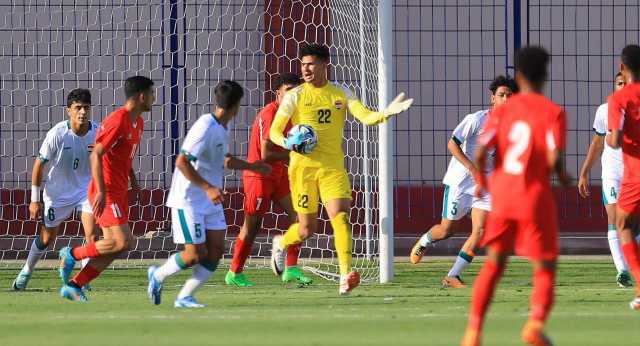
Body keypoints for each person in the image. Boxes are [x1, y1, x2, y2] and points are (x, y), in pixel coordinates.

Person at [269, 43, 413, 295]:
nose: (305, 69)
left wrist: (386, 113)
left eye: (311, 63)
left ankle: (345, 274)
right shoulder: (295, 95)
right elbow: (274, 131)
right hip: (302, 170)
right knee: (305, 230)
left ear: (325, 64)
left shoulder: (342, 93)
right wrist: (288, 142)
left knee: (342, 218)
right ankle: (282, 242)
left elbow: (366, 116)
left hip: (332, 169)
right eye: (303, 64)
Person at [460, 46, 570, 346]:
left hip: (504, 193)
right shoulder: (554, 112)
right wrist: (562, 177)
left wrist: (482, 182)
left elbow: (482, 150)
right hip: (534, 195)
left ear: (518, 76)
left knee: (494, 262)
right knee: (545, 266)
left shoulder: (503, 111)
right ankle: (534, 324)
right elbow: (552, 159)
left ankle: (473, 331)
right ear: (545, 76)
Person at [147, 80, 271, 308]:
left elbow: (225, 160)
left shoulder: (223, 126)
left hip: (210, 200)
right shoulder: (204, 127)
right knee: (194, 254)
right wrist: (208, 187)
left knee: (216, 250)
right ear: (236, 106)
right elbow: (182, 162)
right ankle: (157, 275)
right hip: (189, 200)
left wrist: (254, 167)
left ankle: (185, 296)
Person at [409, 76, 517, 288]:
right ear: (492, 98)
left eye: (510, 96)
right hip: (460, 182)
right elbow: (452, 144)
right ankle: (425, 240)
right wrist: (472, 168)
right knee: (447, 230)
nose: (506, 99)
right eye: (501, 95)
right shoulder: (476, 120)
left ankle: (453, 275)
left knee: (481, 230)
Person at [58, 76, 155, 301]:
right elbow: (96, 154)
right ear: (141, 96)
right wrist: (101, 191)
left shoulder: (137, 122)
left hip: (119, 190)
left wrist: (134, 180)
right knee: (121, 242)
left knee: (120, 246)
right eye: (151, 94)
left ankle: (75, 285)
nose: (153, 98)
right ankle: (73, 253)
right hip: (107, 190)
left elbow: (122, 156)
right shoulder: (118, 120)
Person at [225, 73, 312, 287]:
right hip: (259, 176)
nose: (293, 94)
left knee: (301, 219)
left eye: (297, 90)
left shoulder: (295, 114)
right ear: (278, 93)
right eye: (288, 90)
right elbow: (266, 154)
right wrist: (296, 152)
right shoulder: (270, 112)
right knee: (252, 226)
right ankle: (234, 272)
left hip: (280, 175)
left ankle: (290, 268)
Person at [12, 89, 99, 290]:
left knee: (92, 236)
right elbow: (38, 166)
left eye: (86, 108)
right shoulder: (57, 133)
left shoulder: (98, 132)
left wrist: (102, 154)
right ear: (69, 111)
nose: (83, 112)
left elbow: (110, 157)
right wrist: (34, 199)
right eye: (78, 108)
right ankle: (26, 271)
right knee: (47, 237)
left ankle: (82, 281)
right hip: (57, 192)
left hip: (86, 189)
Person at [577, 72, 631, 287]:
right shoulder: (604, 110)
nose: (623, 86)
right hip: (612, 174)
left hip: (634, 173)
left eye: (627, 83)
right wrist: (584, 172)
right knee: (616, 219)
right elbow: (598, 143)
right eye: (619, 83)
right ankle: (622, 271)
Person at [605, 44, 640, 310]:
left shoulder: (618, 99)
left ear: (622, 68)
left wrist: (611, 135)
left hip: (635, 174)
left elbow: (614, 141)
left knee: (623, 225)